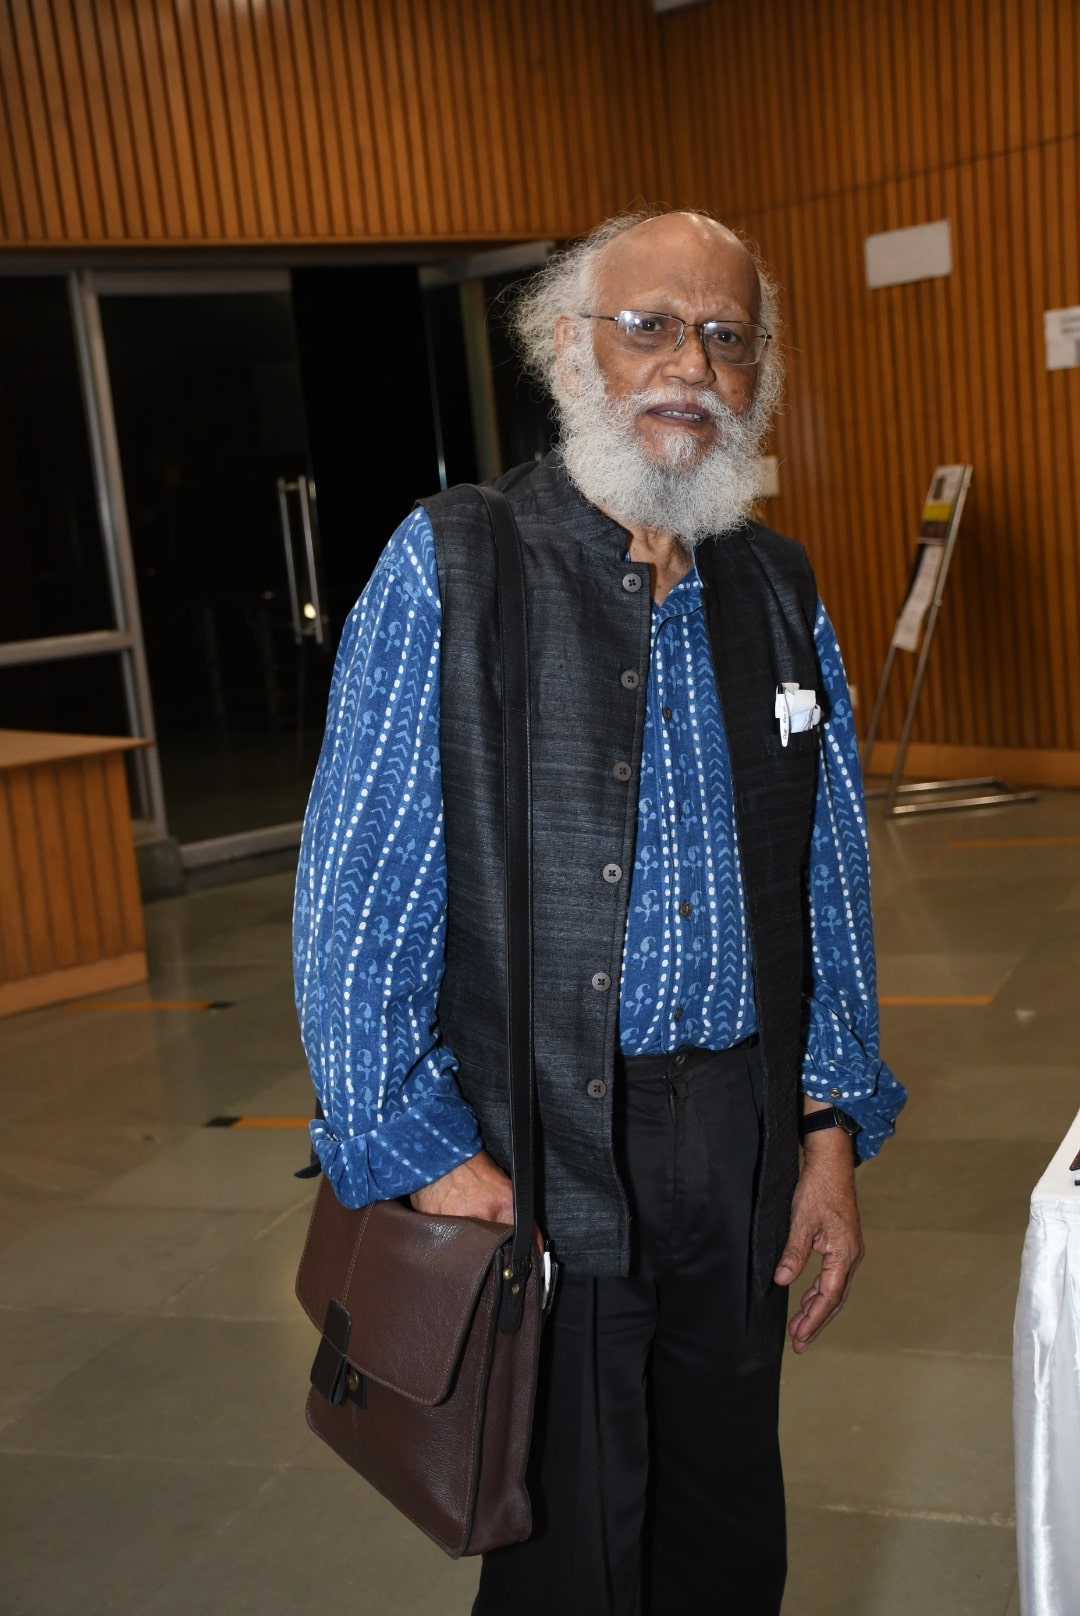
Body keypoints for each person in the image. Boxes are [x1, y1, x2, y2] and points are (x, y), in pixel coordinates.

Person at [294, 208, 906, 1616]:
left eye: (727, 335)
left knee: (727, 1533)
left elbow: (827, 880)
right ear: (571, 350)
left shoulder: (777, 585)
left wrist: (826, 1125)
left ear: (759, 375)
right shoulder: (458, 563)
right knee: (567, 1555)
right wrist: (422, 1152)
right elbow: (355, 893)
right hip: (536, 1152)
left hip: (739, 1144)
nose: (690, 363)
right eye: (650, 326)